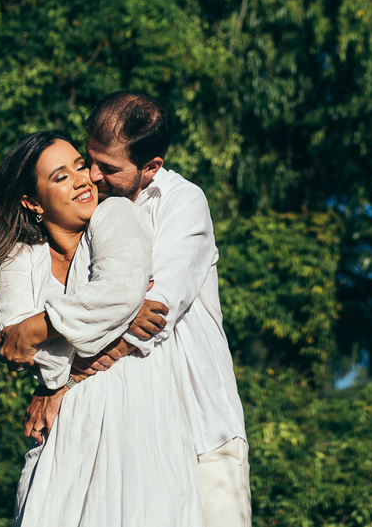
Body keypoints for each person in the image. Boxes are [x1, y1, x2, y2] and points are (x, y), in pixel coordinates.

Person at [0, 131, 204, 527]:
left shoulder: (117, 213)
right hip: (64, 432)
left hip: (136, 415)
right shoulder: (21, 258)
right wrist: (113, 320)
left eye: (78, 165)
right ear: (33, 202)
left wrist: (45, 326)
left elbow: (120, 293)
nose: (82, 179)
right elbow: (33, 360)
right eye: (60, 176)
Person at [33, 91, 252, 527]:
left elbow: (153, 317)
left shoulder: (183, 203)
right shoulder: (90, 212)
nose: (92, 176)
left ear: (151, 166)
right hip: (126, 432)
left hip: (201, 431)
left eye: (109, 168)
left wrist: (63, 385)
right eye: (90, 159)